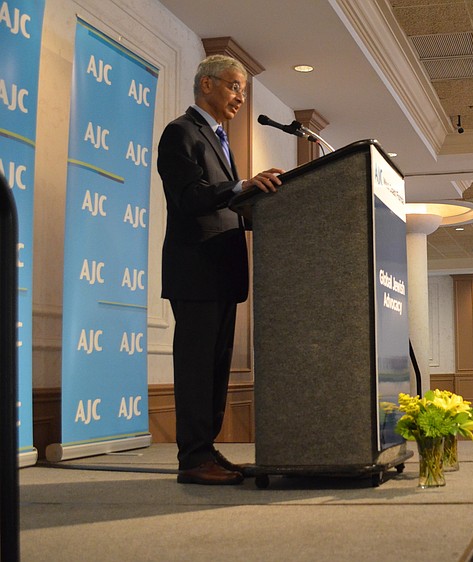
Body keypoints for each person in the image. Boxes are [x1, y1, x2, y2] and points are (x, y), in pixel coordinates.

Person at [158, 54, 284, 485]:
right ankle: (192, 458)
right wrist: (240, 186)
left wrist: (260, 203)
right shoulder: (180, 133)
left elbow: (225, 204)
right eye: (234, 87)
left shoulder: (219, 138)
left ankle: (206, 450)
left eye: (243, 91)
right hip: (195, 271)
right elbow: (191, 197)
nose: (240, 98)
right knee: (196, 368)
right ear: (206, 85)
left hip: (221, 271)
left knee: (215, 368)